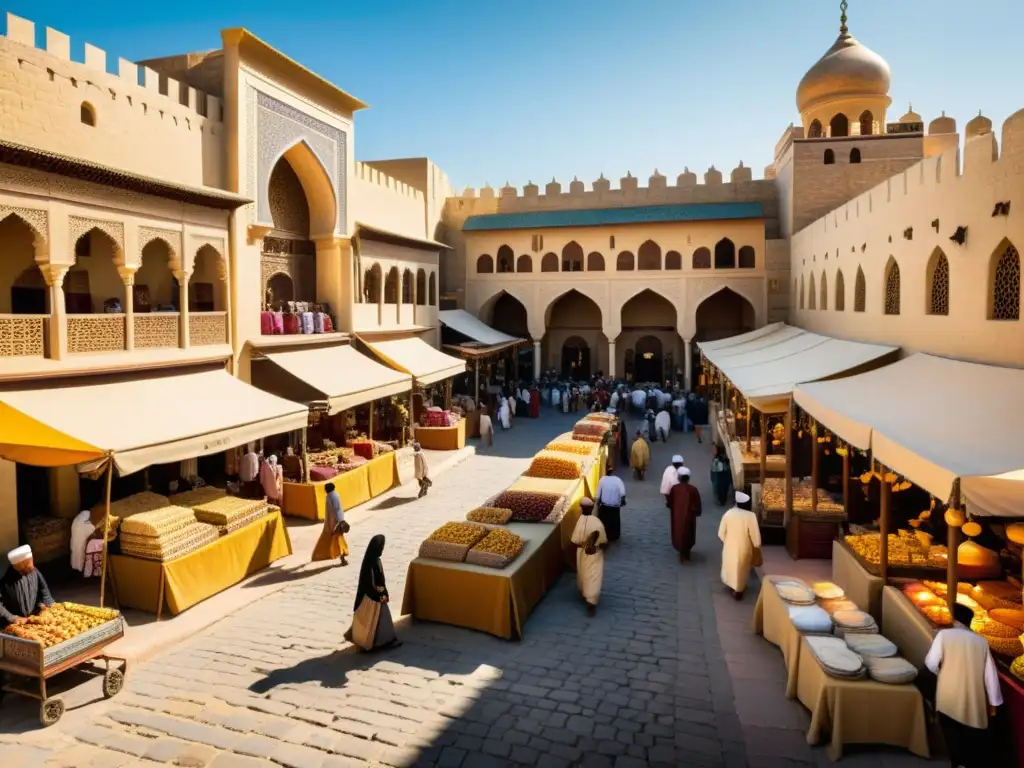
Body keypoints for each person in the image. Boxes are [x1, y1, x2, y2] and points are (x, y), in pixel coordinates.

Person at [921, 602, 1004, 767]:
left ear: (954, 619)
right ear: (969, 622)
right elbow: (990, 676)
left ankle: (955, 762)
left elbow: (930, 663)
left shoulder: (944, 635)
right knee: (970, 736)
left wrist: (944, 674)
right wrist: (994, 703)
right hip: (973, 699)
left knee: (951, 733)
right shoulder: (981, 642)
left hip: (948, 696)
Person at [344, 535, 400, 651]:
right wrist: (379, 595)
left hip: (377, 595)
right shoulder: (371, 563)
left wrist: (385, 592)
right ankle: (382, 642)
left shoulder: (374, 560)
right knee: (379, 621)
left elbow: (381, 580)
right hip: (371, 598)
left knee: (379, 622)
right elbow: (368, 584)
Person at [718, 491, 761, 600]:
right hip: (744, 548)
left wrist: (727, 541)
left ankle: (732, 585)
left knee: (731, 567)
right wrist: (757, 545)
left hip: (729, 547)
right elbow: (755, 536)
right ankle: (739, 589)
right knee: (742, 569)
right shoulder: (751, 516)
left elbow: (721, 533)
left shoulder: (728, 514)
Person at [0, 546, 55, 628]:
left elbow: (44, 591)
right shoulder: (6, 582)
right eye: (21, 570)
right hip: (15, 624)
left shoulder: (35, 572)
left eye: (28, 568)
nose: (26, 572)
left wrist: (49, 605)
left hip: (33, 619)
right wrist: (12, 617)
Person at [571, 498, 608, 616]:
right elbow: (604, 543)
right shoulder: (597, 522)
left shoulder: (580, 521)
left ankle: (588, 599)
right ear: (592, 508)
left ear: (581, 508)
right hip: (593, 553)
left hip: (583, 553)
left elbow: (573, 542)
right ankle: (590, 600)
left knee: (586, 574)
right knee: (591, 576)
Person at [668, 467, 702, 562]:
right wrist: (697, 511)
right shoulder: (693, 489)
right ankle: (687, 552)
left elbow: (669, 502)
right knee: (689, 533)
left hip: (677, 517)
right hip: (690, 517)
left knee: (678, 532)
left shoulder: (674, 489)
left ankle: (681, 552)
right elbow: (697, 504)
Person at [312, 482, 349, 566]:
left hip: (335, 522)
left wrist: (339, 522)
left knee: (338, 540)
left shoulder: (333, 496)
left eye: (325, 488)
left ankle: (342, 557)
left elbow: (337, 510)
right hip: (332, 522)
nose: (325, 490)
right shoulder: (331, 495)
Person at [595, 469, 627, 542]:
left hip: (605, 506)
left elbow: (597, 494)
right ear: (614, 473)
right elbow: (622, 493)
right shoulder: (618, 480)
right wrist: (623, 502)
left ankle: (605, 536)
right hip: (615, 506)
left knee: (605, 522)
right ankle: (615, 535)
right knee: (615, 521)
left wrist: (597, 504)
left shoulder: (602, 480)